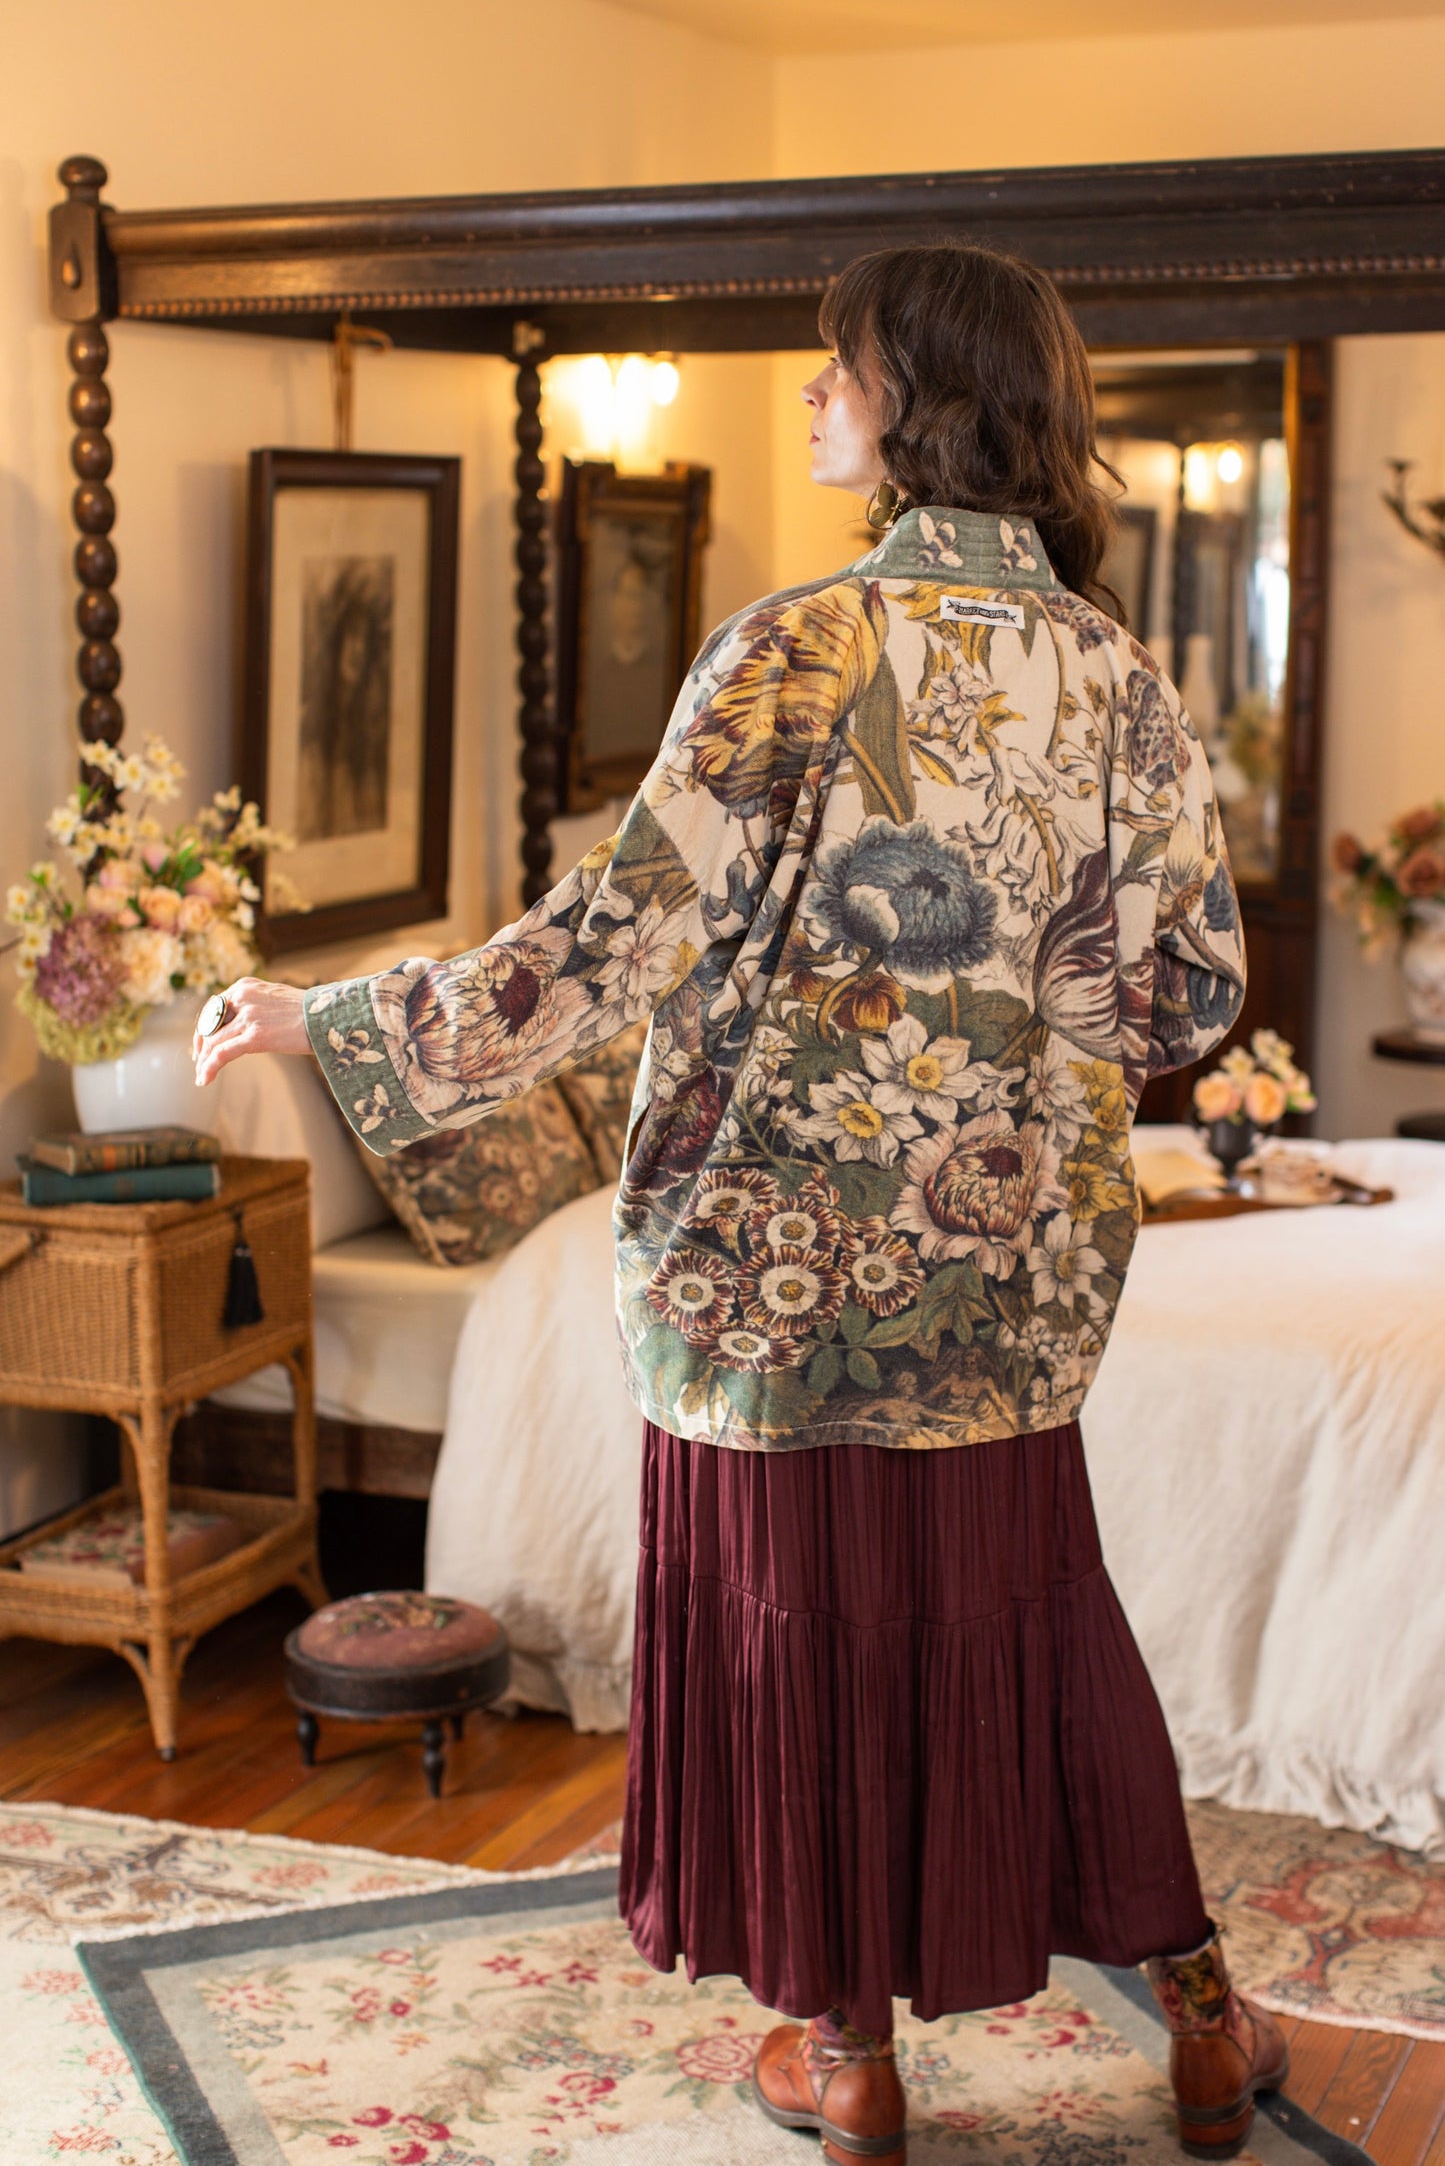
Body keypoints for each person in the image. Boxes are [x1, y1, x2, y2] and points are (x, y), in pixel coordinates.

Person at [195, 239, 1284, 2164]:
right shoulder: (1115, 672)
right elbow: (1195, 993)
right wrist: (1052, 1012)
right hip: (1003, 1272)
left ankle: (846, 2057)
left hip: (768, 1273)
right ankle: (1203, 2029)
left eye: (833, 368)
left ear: (913, 401)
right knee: (1037, 1626)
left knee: (805, 1636)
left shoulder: (796, 649)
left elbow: (615, 939)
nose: (806, 398)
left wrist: (332, 1017)